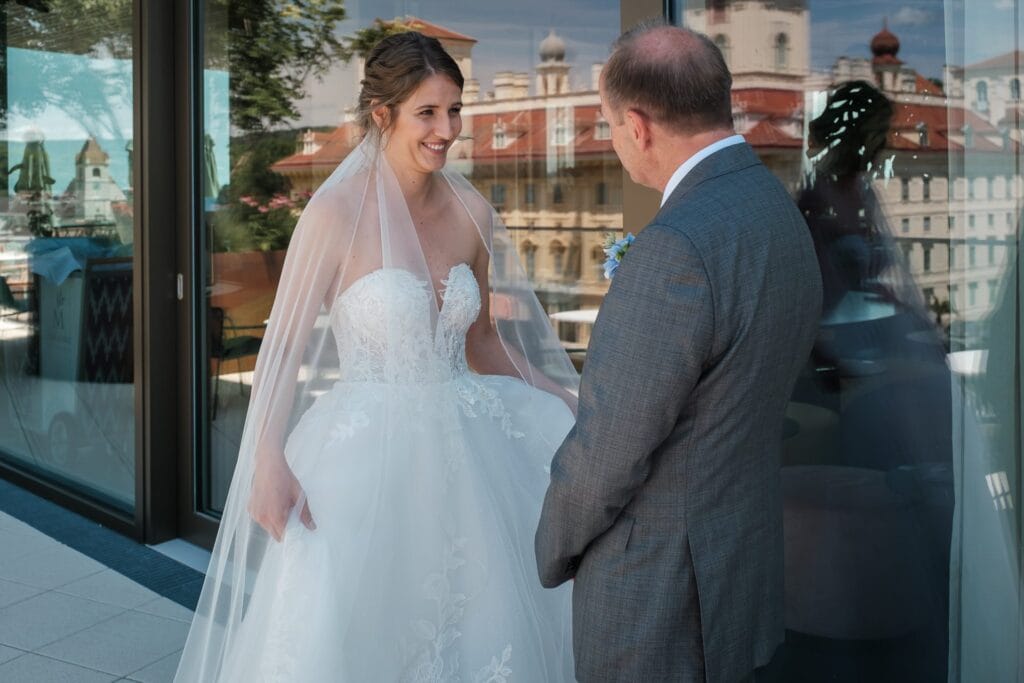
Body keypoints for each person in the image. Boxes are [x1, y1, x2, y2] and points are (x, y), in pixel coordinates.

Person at [176, 31, 578, 682]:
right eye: (428, 112)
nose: (447, 130)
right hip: (366, 458)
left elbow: (482, 343)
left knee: (478, 620)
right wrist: (267, 459)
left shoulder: (473, 210)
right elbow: (281, 347)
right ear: (382, 115)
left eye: (455, 111)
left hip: (469, 455)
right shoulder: (334, 213)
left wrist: (562, 397)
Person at [535, 21, 823, 682]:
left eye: (609, 128)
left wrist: (551, 547)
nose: (614, 146)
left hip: (656, 596)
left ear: (637, 127)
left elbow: (609, 450)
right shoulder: (775, 208)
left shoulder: (674, 246)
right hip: (739, 560)